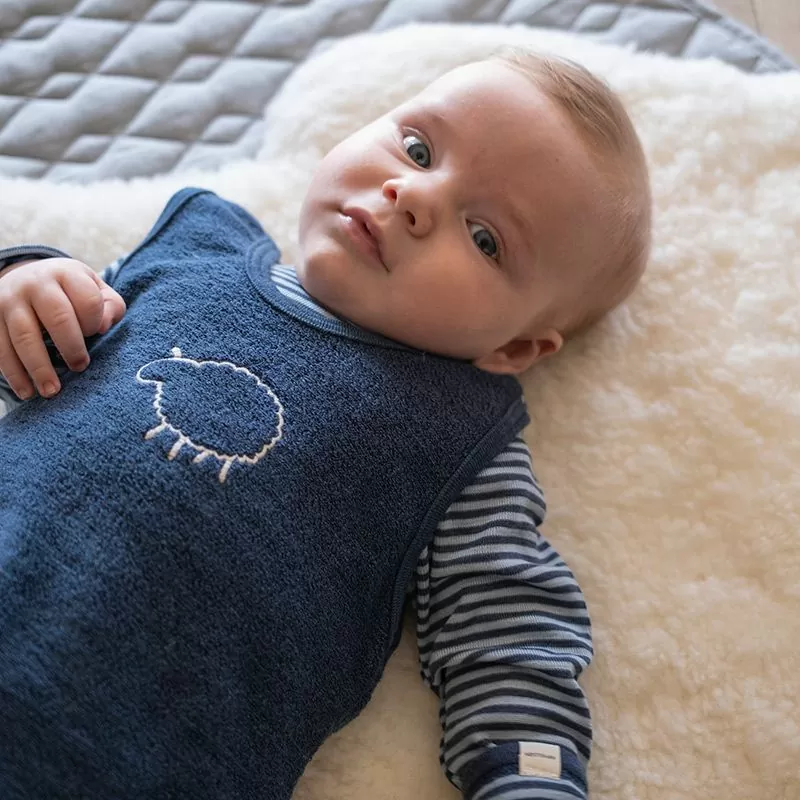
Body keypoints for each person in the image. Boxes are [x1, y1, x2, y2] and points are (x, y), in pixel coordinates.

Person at [0, 48, 651, 800]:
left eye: (485, 238)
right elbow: (39, 358)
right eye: (418, 149)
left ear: (514, 349)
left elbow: (508, 631)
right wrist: (25, 283)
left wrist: (534, 776)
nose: (414, 196)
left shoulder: (454, 439)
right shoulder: (197, 249)